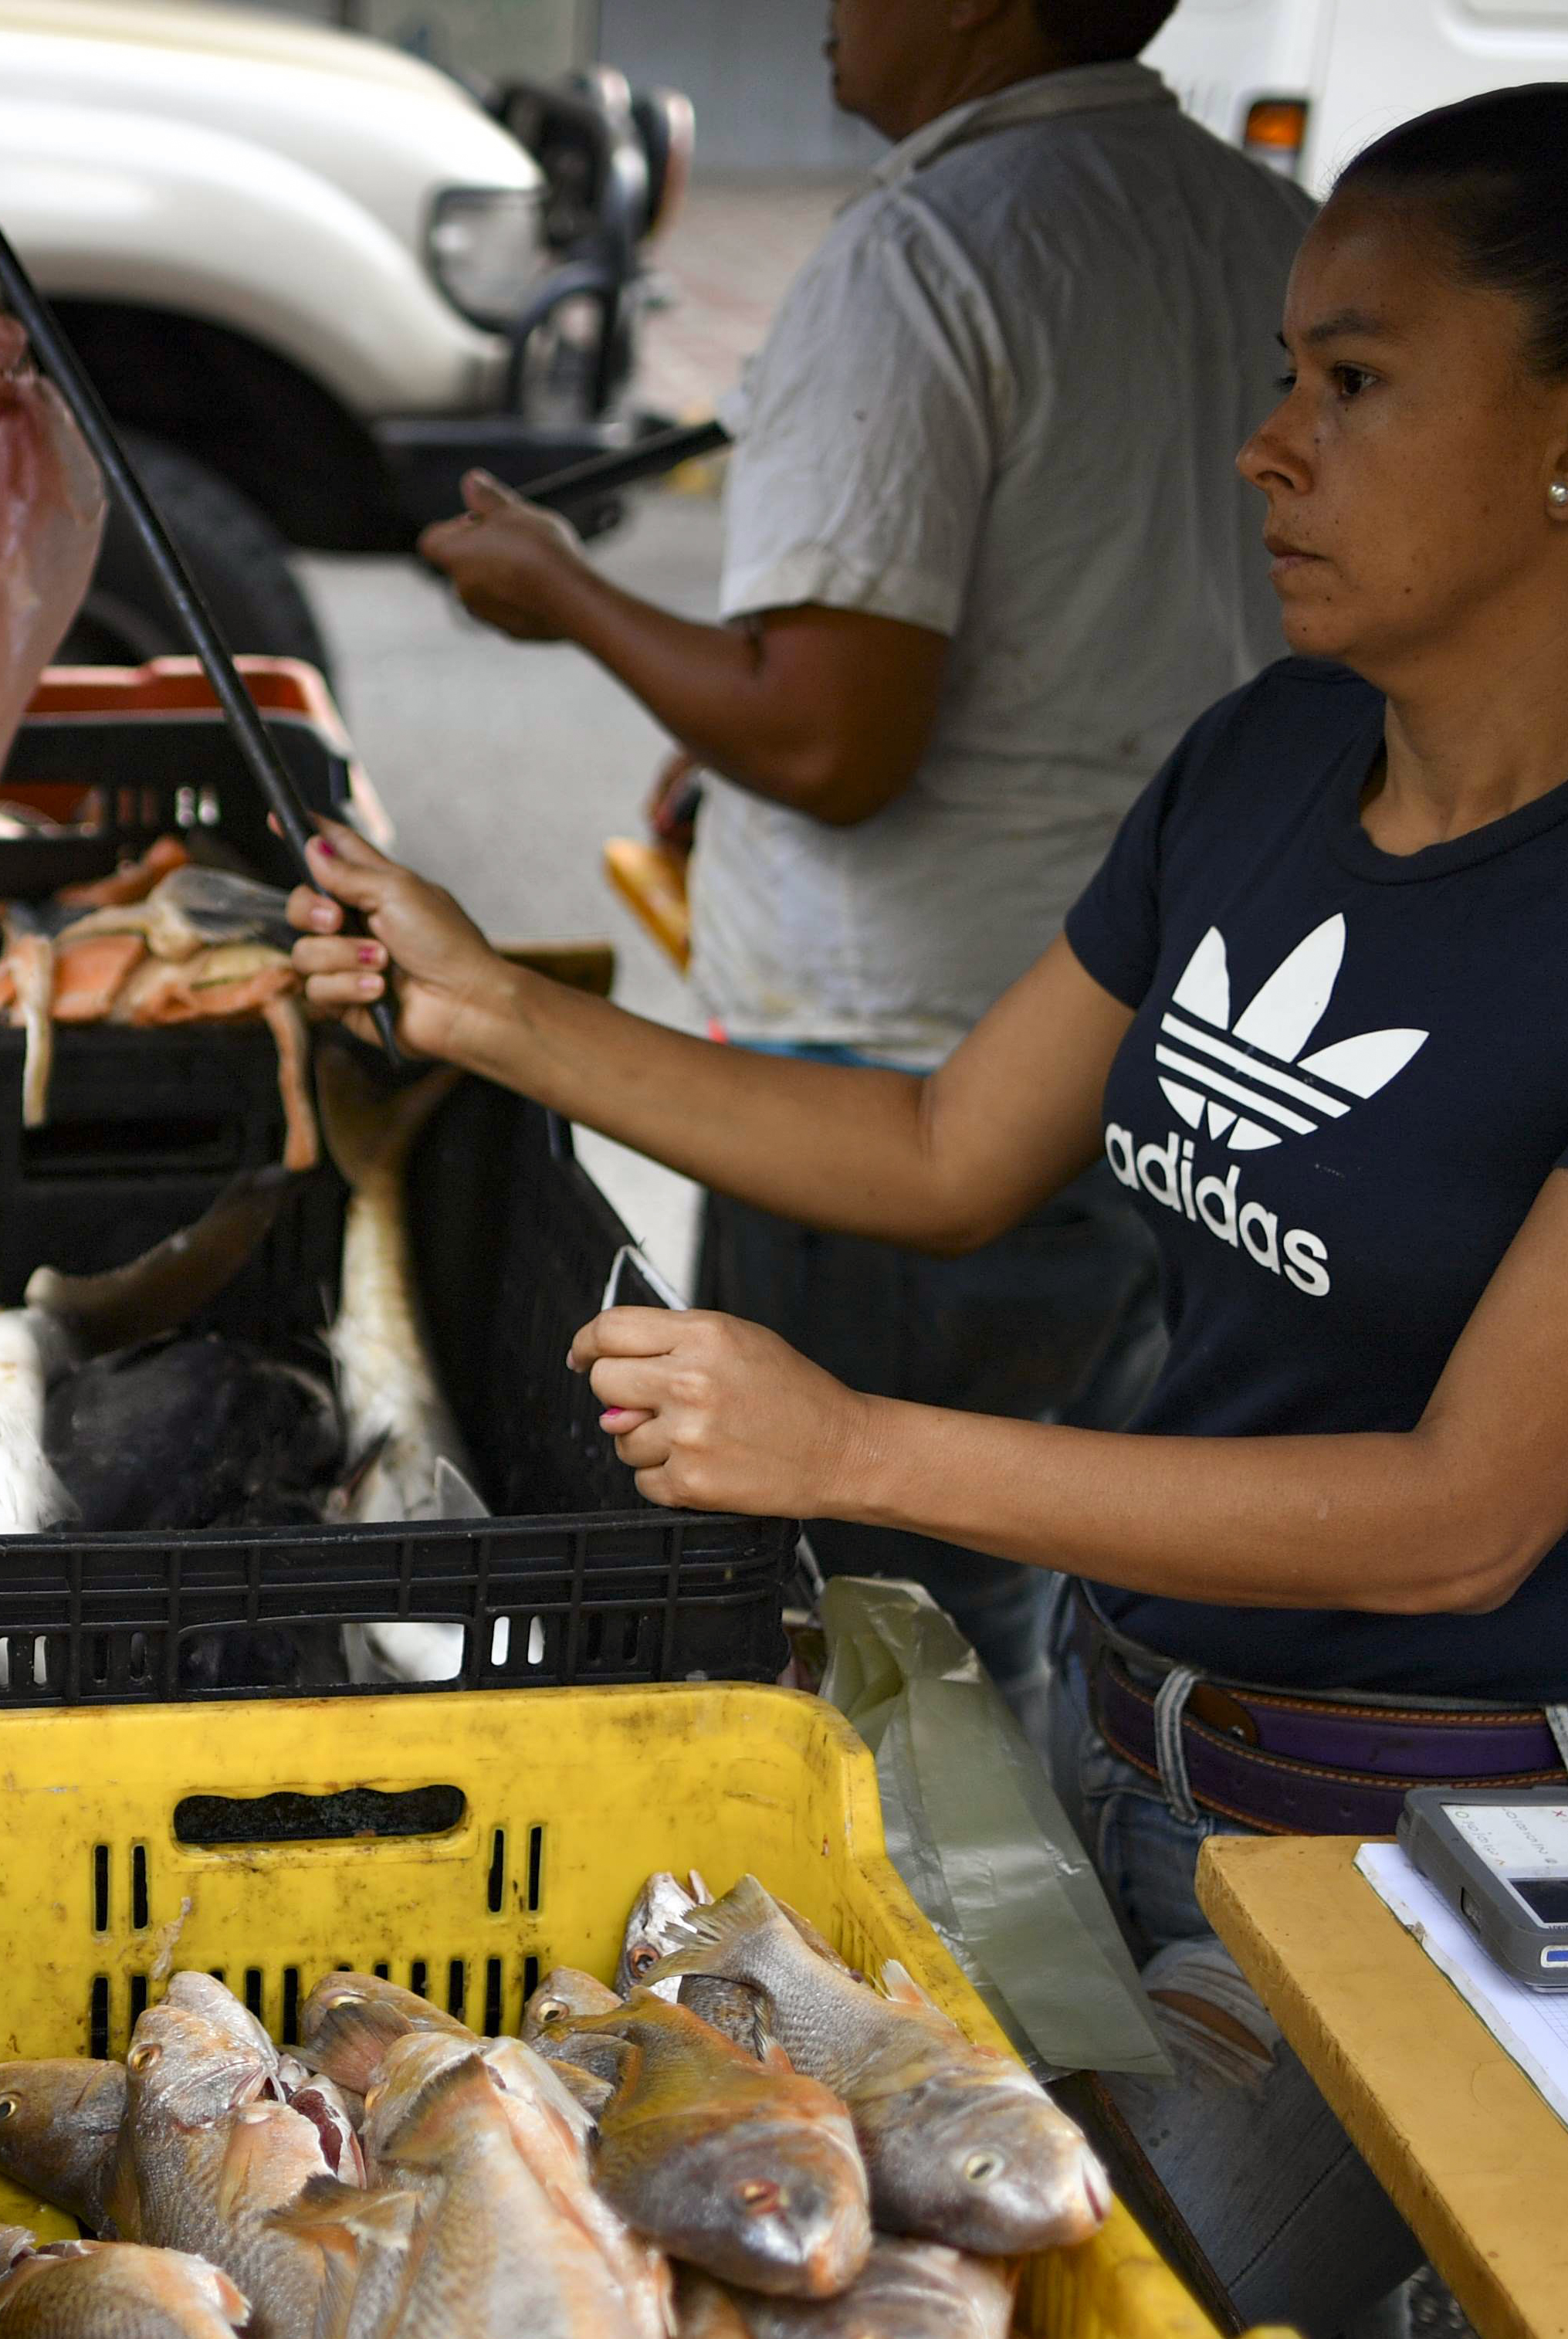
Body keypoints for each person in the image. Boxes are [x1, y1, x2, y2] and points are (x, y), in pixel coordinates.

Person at [289, 86, 1568, 2339]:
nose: (1266, 443)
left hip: (1420, 1843)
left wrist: (860, 1439)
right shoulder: (1264, 759)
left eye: (1352, 382)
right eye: (1285, 373)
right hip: (1103, 1707)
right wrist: (495, 1011)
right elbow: (950, 1146)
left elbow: (1459, 1508)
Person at [411, 0, 1314, 1714]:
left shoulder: (917, 255)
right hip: (1174, 1045)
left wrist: (564, 591)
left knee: (878, 1619)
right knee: (1055, 1581)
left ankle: (946, 1957)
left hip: (904, 1070)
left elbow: (831, 740)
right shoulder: (1266, 224)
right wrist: (730, 739)